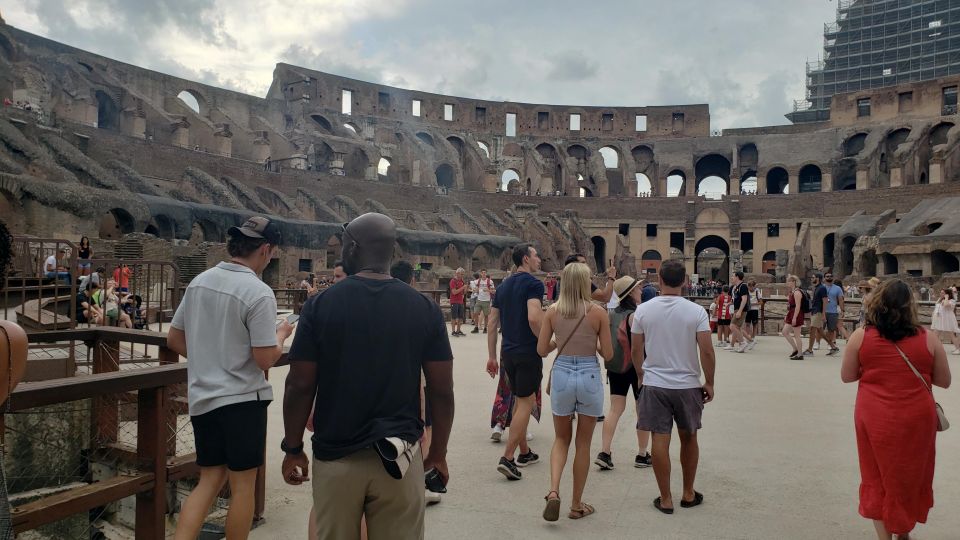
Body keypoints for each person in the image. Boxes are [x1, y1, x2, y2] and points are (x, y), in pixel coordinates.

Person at [282, 213, 454, 539]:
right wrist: (438, 453)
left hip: (337, 456)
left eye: (344, 243)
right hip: (400, 456)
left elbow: (300, 384)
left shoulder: (320, 306)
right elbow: (442, 390)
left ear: (353, 248)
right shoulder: (424, 308)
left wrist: (292, 447)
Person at [168, 216, 294, 540]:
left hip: (204, 399)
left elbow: (174, 339)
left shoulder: (200, 281)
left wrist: (210, 360)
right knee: (242, 488)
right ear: (266, 250)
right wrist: (281, 335)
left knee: (208, 481)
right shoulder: (258, 292)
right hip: (241, 402)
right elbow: (265, 357)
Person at [841, 279, 951, 540]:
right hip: (916, 417)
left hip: (874, 415)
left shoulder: (861, 336)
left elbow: (847, 376)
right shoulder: (928, 338)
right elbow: (944, 381)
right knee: (909, 474)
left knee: (876, 474)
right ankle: (903, 532)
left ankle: (885, 538)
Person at [631, 259, 715, 514]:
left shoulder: (643, 311)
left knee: (659, 437)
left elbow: (635, 350)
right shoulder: (696, 311)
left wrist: (641, 374)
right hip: (688, 384)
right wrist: (709, 382)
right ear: (685, 281)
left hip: (655, 383)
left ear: (660, 279)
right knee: (689, 436)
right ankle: (688, 493)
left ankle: (665, 498)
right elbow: (707, 351)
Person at [537, 262, 613, 521]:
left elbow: (541, 350)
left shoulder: (553, 311)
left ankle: (554, 491)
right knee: (583, 443)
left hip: (562, 373)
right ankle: (576, 504)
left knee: (561, 439)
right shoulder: (598, 312)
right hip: (589, 373)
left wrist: (559, 339)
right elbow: (609, 354)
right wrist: (596, 343)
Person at [487, 243, 544, 480]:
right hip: (527, 352)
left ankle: (525, 452)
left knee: (519, 400)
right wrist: (544, 341)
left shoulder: (504, 285)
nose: (539, 259)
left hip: (507, 353)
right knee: (524, 403)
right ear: (525, 260)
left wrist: (491, 356)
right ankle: (507, 458)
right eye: (535, 255)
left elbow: (492, 323)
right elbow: (533, 317)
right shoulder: (534, 284)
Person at [596, 276, 651, 471]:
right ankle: (642, 454)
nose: (641, 290)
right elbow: (642, 346)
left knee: (614, 410)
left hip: (615, 368)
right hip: (637, 369)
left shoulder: (609, 315)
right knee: (641, 410)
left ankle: (605, 452)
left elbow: (600, 344)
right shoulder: (636, 315)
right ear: (630, 293)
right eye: (638, 287)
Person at [781, 275, 807, 360]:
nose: (788, 283)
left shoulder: (797, 292)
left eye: (789, 281)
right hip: (792, 313)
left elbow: (798, 306)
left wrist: (794, 318)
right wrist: (788, 315)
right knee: (785, 332)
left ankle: (800, 354)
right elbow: (791, 305)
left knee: (797, 335)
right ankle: (795, 349)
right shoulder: (793, 292)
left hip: (797, 314)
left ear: (794, 282)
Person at [931, 288, 960, 354]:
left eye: (942, 293)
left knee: (951, 334)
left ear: (947, 294)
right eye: (940, 293)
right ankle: (933, 348)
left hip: (948, 320)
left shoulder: (951, 301)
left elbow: (946, 305)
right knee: (935, 334)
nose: (941, 294)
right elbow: (937, 308)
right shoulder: (940, 299)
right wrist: (933, 315)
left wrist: (946, 298)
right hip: (939, 319)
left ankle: (958, 349)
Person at [804, 273, 826, 356]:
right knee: (820, 331)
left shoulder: (822, 288)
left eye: (813, 277)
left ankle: (810, 350)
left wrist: (823, 314)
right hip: (814, 311)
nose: (811, 279)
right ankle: (833, 347)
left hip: (818, 312)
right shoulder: (816, 288)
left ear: (818, 278)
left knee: (812, 330)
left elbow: (825, 301)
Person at [823, 272, 844, 356]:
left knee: (831, 329)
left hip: (833, 311)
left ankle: (830, 343)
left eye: (831, 276)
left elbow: (841, 299)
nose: (829, 277)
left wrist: (843, 310)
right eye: (827, 276)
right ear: (824, 278)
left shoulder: (838, 288)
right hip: (822, 311)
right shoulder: (822, 287)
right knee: (819, 329)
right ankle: (817, 343)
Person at [730, 272, 750, 353]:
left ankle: (743, 342)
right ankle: (742, 345)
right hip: (737, 309)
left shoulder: (743, 286)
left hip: (741, 310)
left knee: (732, 326)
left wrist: (740, 311)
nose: (732, 277)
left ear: (737, 277)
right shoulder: (737, 287)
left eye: (733, 276)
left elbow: (744, 299)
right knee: (737, 327)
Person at [472, 269, 495, 333]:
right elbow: (475, 289)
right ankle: (476, 327)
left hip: (486, 300)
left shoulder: (490, 281)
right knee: (475, 313)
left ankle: (485, 328)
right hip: (479, 299)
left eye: (485, 273)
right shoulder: (478, 281)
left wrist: (488, 290)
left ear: (486, 274)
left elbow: (493, 291)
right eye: (482, 273)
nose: (484, 274)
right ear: (481, 274)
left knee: (486, 315)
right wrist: (475, 290)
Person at [449, 268, 467, 337]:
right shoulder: (453, 281)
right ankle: (453, 331)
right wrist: (463, 288)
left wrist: (465, 288)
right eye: (461, 274)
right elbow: (454, 292)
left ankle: (458, 330)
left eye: (463, 274)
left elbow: (464, 293)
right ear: (457, 273)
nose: (462, 275)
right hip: (454, 301)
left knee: (460, 317)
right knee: (454, 317)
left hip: (460, 301)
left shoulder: (462, 281)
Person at [744, 280, 761, 348]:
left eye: (751, 286)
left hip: (755, 310)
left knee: (754, 324)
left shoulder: (757, 292)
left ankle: (753, 337)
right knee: (747, 323)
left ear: (754, 286)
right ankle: (747, 337)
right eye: (749, 286)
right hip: (748, 310)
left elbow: (761, 302)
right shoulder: (746, 292)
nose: (750, 288)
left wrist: (753, 304)